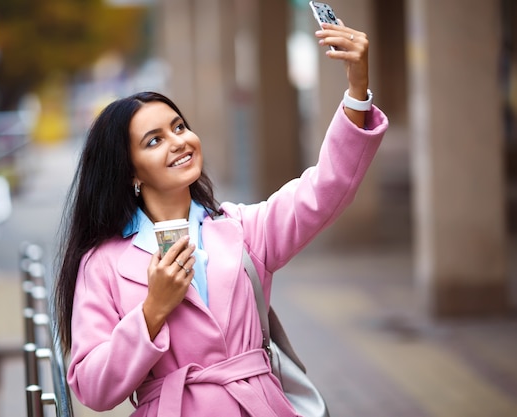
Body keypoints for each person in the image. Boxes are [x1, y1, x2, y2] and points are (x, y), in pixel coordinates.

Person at [54, 21, 388, 417]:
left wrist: (357, 91)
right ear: (130, 172)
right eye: (154, 140)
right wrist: (153, 310)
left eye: (179, 127)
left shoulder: (242, 229)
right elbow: (92, 387)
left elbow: (325, 189)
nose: (179, 141)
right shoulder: (103, 263)